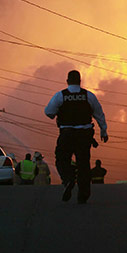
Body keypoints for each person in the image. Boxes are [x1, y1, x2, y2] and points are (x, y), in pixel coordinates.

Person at [44, 70, 108, 204]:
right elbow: (99, 114)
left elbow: (49, 112)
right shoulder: (88, 96)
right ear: (80, 81)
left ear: (67, 81)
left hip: (66, 134)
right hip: (84, 135)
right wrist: (104, 131)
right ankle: (83, 195)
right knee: (83, 164)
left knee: (61, 159)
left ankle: (68, 179)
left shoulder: (60, 95)